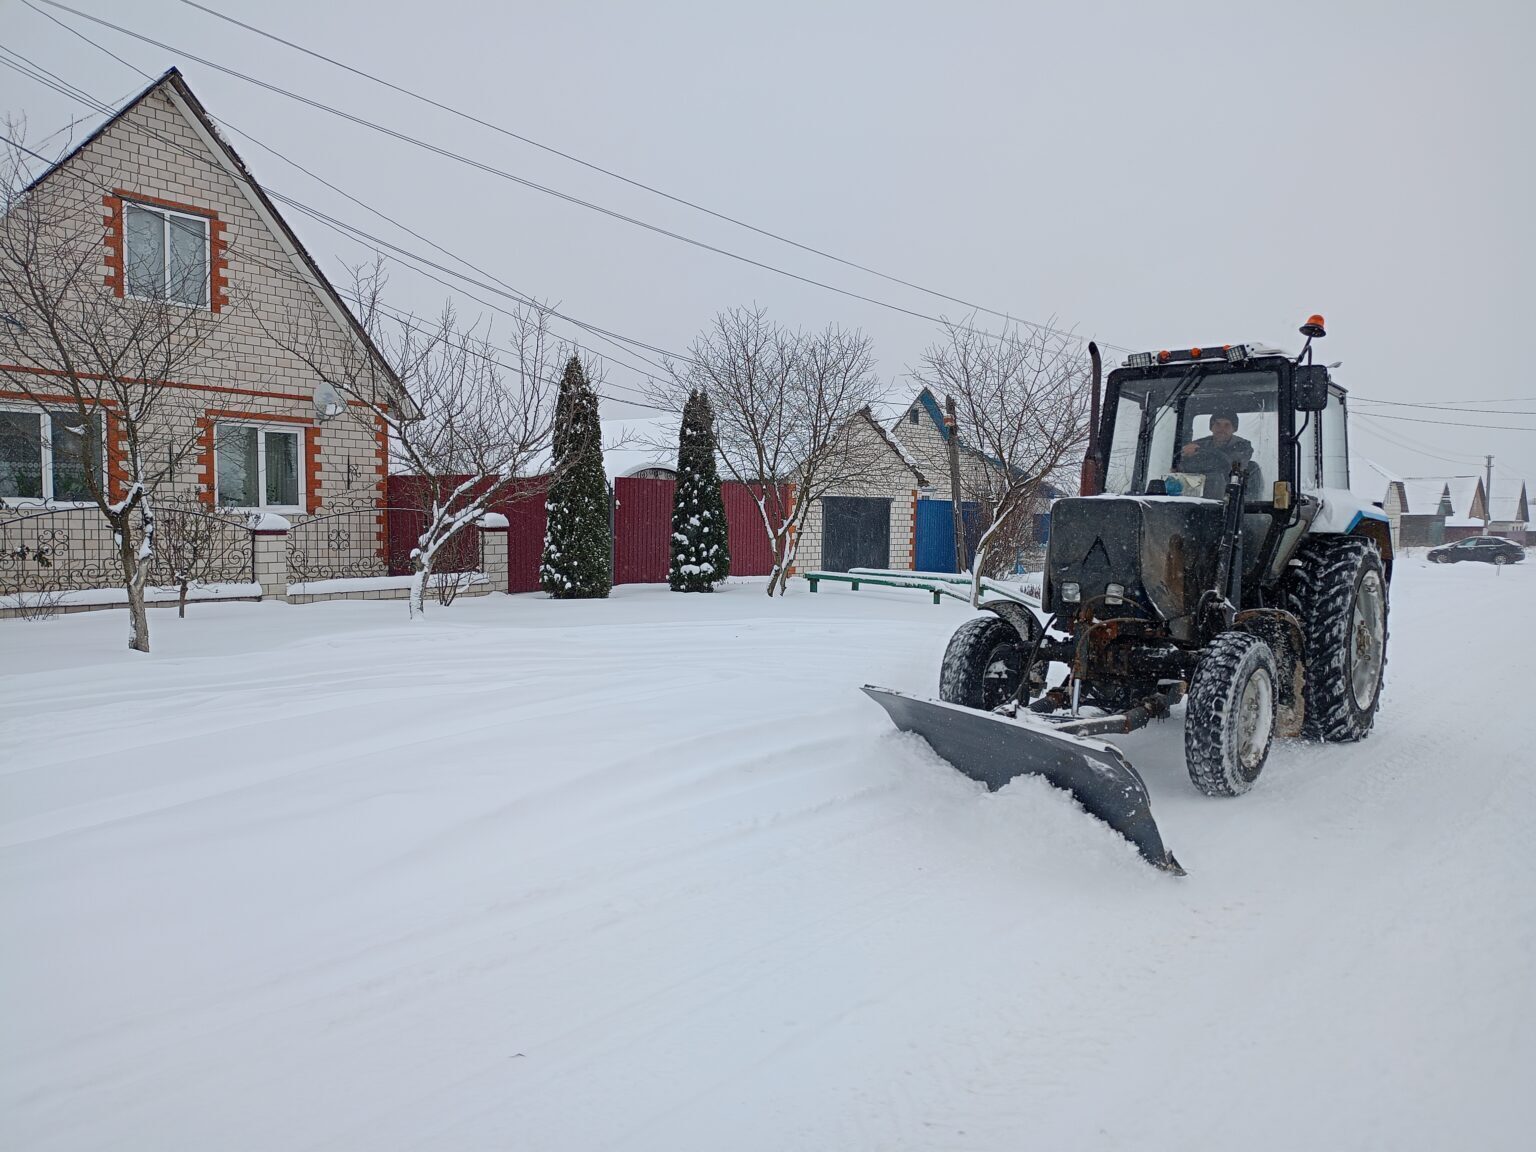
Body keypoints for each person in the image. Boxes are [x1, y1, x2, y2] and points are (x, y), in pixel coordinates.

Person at [1181, 410, 1253, 475]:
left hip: (1230, 485)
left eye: (1227, 425)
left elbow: (1231, 463)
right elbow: (1183, 460)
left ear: (1234, 429)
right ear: (1211, 427)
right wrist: (1185, 456)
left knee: (1253, 466)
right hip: (1202, 484)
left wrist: (1202, 451)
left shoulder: (1243, 445)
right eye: (1217, 424)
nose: (1221, 429)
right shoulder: (1199, 444)